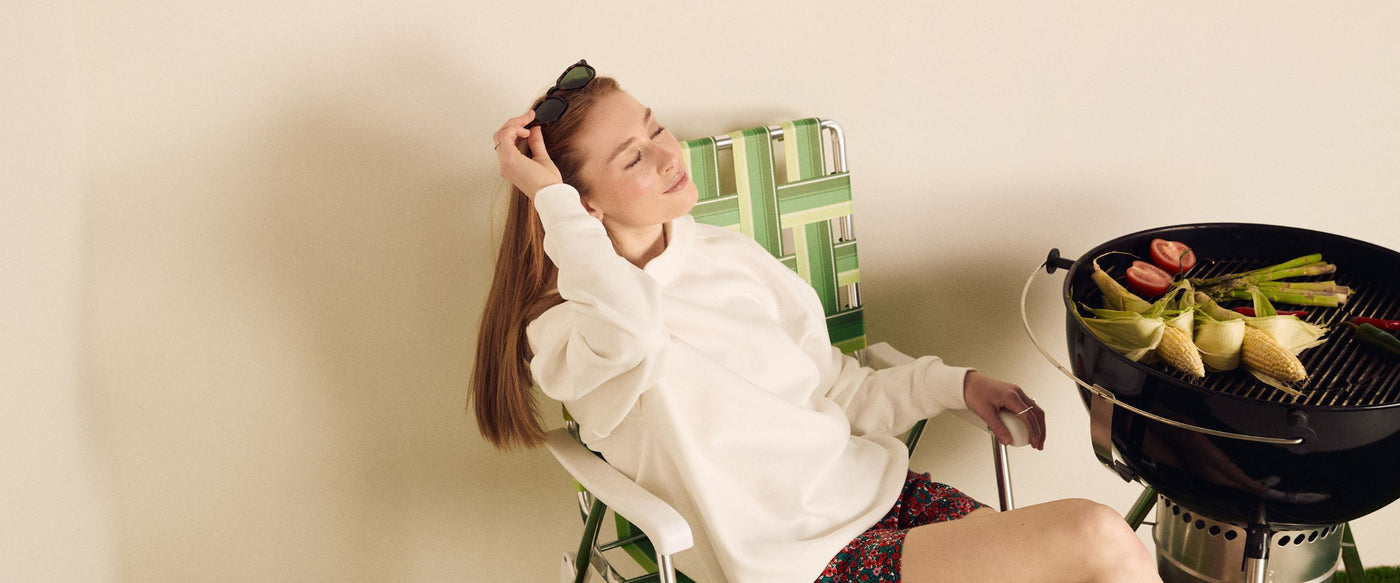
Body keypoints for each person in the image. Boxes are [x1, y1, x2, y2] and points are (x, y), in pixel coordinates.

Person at [470, 59, 1162, 583]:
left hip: (886, 498)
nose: (668, 153)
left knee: (1091, 562)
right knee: (1096, 537)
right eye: (633, 158)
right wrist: (549, 200)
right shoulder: (569, 333)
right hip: (801, 563)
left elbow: (835, 388)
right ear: (579, 206)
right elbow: (636, 332)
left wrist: (954, 385)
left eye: (655, 128)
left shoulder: (728, 256)